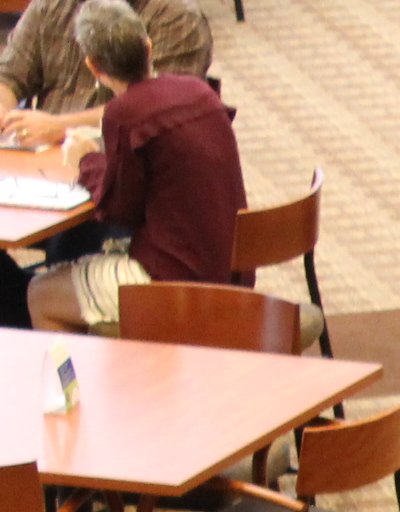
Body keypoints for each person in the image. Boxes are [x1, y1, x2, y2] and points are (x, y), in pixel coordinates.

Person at [15, 0, 234, 333]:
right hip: (223, 264)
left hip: (172, 278)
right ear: (148, 49)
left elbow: (120, 209)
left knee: (42, 293)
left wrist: (86, 161)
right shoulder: (198, 93)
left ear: (94, 67)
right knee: (70, 262)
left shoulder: (125, 113)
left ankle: (76, 383)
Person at [0, 0, 208, 139]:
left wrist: (61, 128)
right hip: (45, 168)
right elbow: (8, 75)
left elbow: (157, 110)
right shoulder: (52, 6)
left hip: (126, 168)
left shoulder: (176, 17)